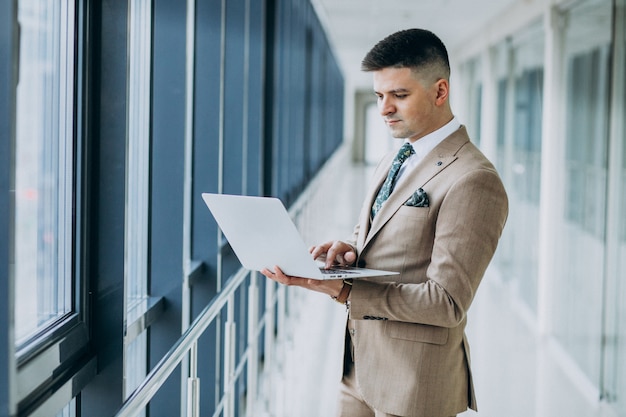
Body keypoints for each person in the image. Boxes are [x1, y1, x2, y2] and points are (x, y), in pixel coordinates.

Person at [261, 28, 508, 417]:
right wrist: (350, 248)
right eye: (379, 96)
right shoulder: (397, 156)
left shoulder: (473, 179)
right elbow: (380, 232)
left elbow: (446, 303)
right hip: (359, 368)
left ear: (440, 91)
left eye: (399, 95)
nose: (384, 108)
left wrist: (345, 292)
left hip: (414, 386)